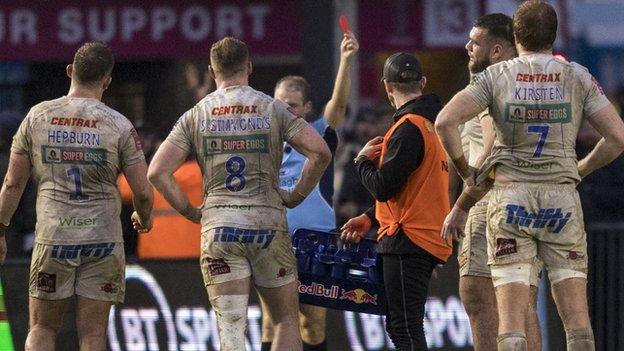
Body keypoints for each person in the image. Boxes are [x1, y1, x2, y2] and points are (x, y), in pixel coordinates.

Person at [435, 1, 624, 350]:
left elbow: (444, 122)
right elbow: (617, 138)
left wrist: (467, 172)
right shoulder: (577, 75)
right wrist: (580, 169)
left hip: (511, 198)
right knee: (577, 320)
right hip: (561, 199)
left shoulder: (496, 76)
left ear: (516, 35)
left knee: (510, 320)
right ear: (552, 34)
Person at [147, 37, 331, 351]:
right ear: (248, 67)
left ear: (211, 69)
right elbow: (320, 152)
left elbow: (156, 173)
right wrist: (296, 194)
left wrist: (192, 212)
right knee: (286, 321)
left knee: (231, 331)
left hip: (220, 229)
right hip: (267, 227)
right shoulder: (272, 107)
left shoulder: (197, 113)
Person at [0, 42, 153, 350]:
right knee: (94, 336)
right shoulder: (120, 125)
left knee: (42, 328)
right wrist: (143, 217)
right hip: (103, 241)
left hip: (54, 239)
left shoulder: (37, 117)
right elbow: (143, 191)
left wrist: (0, 229)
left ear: (70, 71)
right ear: (107, 81)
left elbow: (12, 184)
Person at [341, 52, 451, 350]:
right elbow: (410, 189)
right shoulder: (433, 128)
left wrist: (362, 161)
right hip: (423, 234)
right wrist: (370, 217)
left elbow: (383, 187)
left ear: (387, 86)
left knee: (404, 328)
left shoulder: (407, 128)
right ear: (423, 82)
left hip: (408, 238)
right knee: (407, 325)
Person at [260, 30, 359, 351]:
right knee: (270, 322)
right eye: (278, 104)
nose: (283, 110)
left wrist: (345, 61)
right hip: (272, 239)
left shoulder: (318, 135)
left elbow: (340, 105)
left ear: (306, 107)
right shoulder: (262, 141)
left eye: (291, 105)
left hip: (315, 240)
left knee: (311, 323)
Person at [448, 13, 541, 350]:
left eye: (476, 41)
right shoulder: (527, 81)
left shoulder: (492, 83)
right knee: (520, 301)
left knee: (479, 296)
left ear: (498, 50)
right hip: (528, 200)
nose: (468, 46)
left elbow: (492, 148)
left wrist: (461, 205)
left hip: (490, 201)